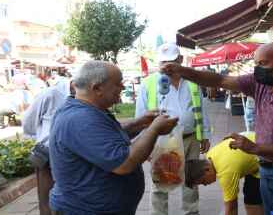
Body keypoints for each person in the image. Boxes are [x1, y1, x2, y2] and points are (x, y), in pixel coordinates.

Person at [161, 42, 273, 215]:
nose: (257, 70)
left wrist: (255, 148)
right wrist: (182, 71)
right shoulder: (261, 84)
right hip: (266, 170)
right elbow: (220, 80)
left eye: (262, 64)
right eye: (255, 64)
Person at [49, 61, 179, 215]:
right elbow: (124, 163)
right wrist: (154, 129)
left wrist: (140, 124)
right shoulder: (81, 119)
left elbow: (104, 137)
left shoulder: (87, 110)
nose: (123, 88)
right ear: (97, 88)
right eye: (118, 84)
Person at [136, 42, 212, 215]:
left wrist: (205, 135)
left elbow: (201, 109)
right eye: (163, 63)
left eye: (171, 62)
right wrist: (145, 146)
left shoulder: (192, 82)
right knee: (161, 182)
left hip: (191, 139)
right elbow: (140, 116)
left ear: (180, 59)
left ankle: (191, 212)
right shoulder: (148, 83)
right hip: (162, 141)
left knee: (192, 179)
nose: (167, 67)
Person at [23, 79, 74, 215]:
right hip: (47, 154)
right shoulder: (51, 94)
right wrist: (43, 137)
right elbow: (28, 123)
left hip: (71, 155)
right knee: (46, 200)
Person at [185, 131, 263, 215]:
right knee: (251, 198)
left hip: (264, 155)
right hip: (257, 141)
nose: (206, 185)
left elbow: (232, 207)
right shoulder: (210, 155)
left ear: (206, 169)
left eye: (203, 181)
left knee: (254, 201)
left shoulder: (226, 173)